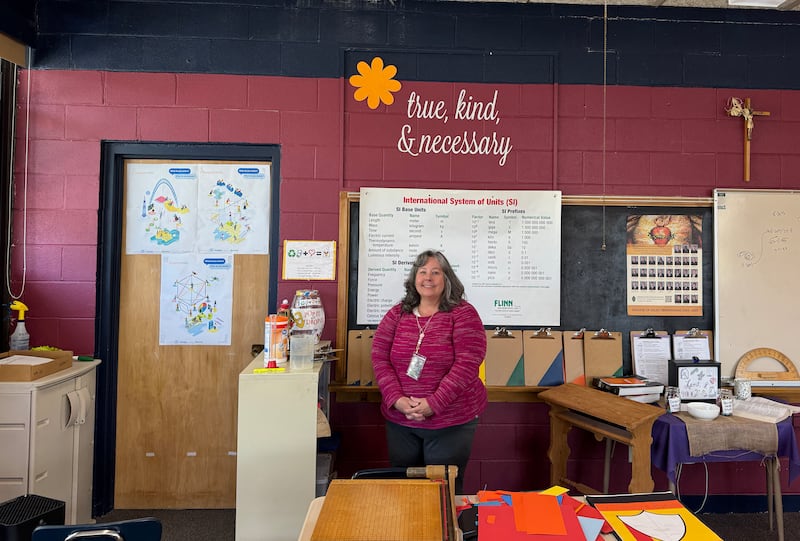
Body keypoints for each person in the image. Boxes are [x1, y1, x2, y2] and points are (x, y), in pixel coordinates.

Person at [371, 250, 487, 494]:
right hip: (400, 421)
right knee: (405, 491)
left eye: (436, 272)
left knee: (442, 492)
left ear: (447, 279)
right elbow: (379, 357)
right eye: (422, 271)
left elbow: (467, 365)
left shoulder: (464, 315)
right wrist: (396, 399)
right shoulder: (397, 314)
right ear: (414, 278)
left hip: (451, 422)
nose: (428, 277)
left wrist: (434, 403)